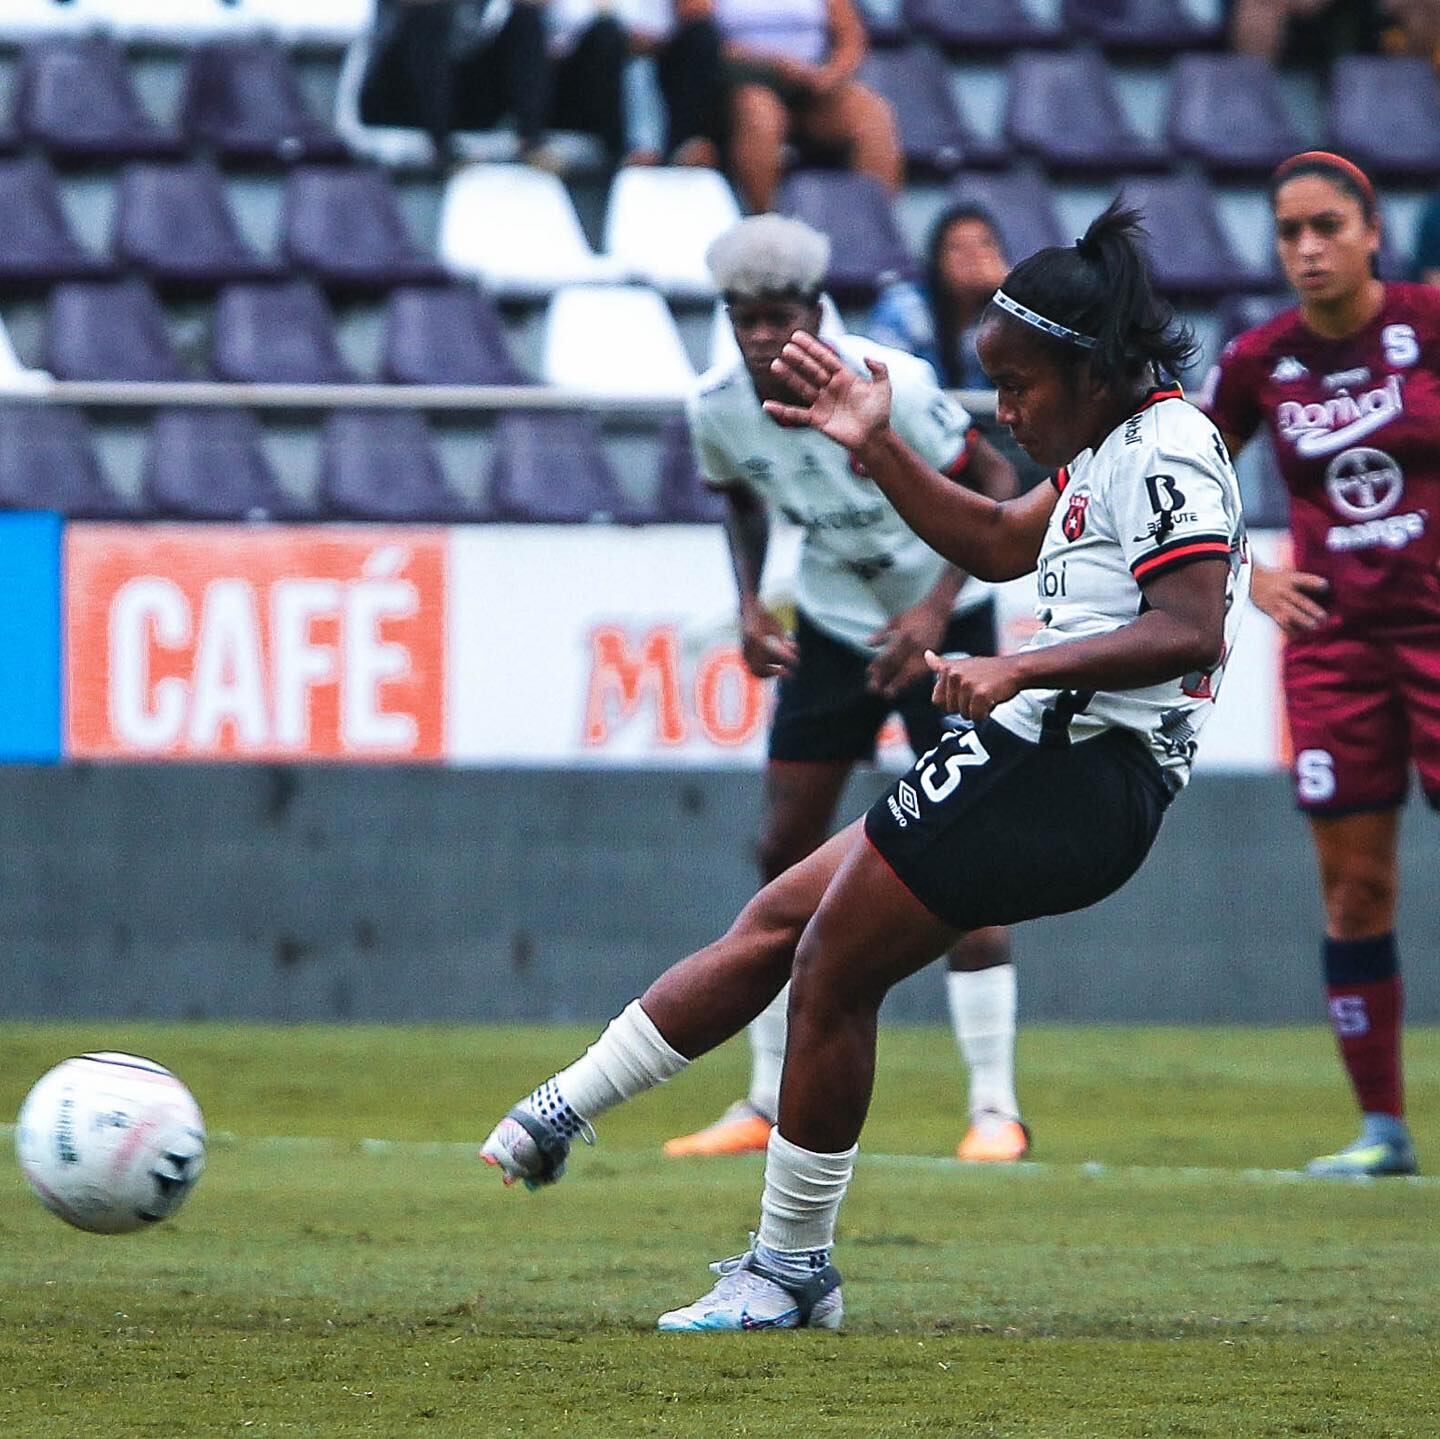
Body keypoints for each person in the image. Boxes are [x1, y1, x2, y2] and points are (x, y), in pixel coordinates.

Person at [480, 199, 1250, 1332]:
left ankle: (792, 1266)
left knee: (834, 964)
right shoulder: (1106, 448)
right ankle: (560, 1108)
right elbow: (994, 539)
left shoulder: (1171, 448)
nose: (1004, 406)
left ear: (1092, 369)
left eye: (1022, 381)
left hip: (1083, 769)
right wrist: (877, 444)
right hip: (1045, 751)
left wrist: (1021, 672)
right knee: (783, 913)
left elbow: (1193, 628)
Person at [660, 214, 1029, 1167]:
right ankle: (758, 1095)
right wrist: (748, 603)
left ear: (817, 312)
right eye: (740, 318)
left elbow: (992, 476)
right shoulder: (716, 405)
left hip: (938, 618)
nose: (755, 337)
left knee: (973, 854)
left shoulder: (889, 382)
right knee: (784, 846)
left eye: (774, 316)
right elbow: (738, 496)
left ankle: (996, 1108)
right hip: (831, 618)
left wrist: (937, 614)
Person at [1201, 150, 1440, 1178]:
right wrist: (1248, 574)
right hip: (1334, 651)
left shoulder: (1430, 324)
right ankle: (1381, 1125)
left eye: (1327, 227)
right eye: (1289, 230)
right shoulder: (1259, 359)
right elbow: (1188, 477)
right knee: (1352, 892)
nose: (1307, 247)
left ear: (1373, 230)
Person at [705, 0, 902, 213]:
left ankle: (874, 224)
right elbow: (698, 38)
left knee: (873, 116)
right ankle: (766, 222)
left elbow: (851, 39)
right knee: (759, 116)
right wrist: (776, 64)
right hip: (745, 79)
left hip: (812, 81)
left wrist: (829, 75)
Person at [867, 204, 1011, 391]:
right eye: (957, 248)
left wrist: (1011, 295)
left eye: (985, 244)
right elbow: (880, 381)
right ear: (937, 259)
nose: (974, 257)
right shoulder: (904, 307)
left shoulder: (1009, 310)